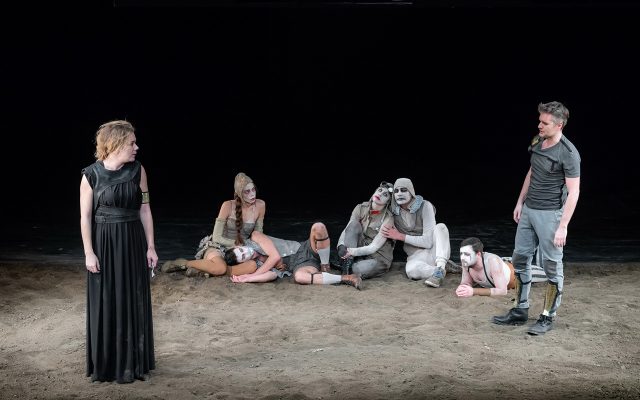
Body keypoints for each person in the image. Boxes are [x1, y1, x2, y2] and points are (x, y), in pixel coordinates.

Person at [493, 101, 581, 336]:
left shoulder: (568, 154)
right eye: (539, 121)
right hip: (529, 211)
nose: (539, 126)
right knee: (520, 259)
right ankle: (520, 309)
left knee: (552, 265)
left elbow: (574, 192)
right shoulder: (537, 142)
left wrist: (563, 226)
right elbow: (532, 172)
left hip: (550, 214)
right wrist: (520, 202)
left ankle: (547, 316)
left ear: (559, 125)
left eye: (545, 123)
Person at [80, 120, 157, 383]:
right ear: (115, 143)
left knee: (132, 297)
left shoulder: (138, 170)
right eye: (132, 143)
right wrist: (89, 252)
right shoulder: (91, 174)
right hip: (103, 244)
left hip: (133, 241)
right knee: (106, 299)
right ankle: (107, 364)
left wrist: (151, 246)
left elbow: (145, 209)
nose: (136, 147)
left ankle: (132, 363)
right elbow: (85, 217)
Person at [161, 172, 263, 277]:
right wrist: (235, 244)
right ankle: (184, 263)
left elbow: (259, 235)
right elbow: (216, 237)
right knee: (221, 268)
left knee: (252, 266)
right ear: (239, 193)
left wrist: (252, 249)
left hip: (240, 251)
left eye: (253, 189)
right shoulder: (227, 205)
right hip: (219, 246)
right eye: (247, 191)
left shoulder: (260, 205)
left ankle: (206, 269)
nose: (252, 194)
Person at [227, 224, 363, 290]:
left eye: (241, 250)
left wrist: (253, 274)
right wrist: (249, 278)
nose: (246, 252)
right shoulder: (257, 264)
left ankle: (325, 266)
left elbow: (274, 256)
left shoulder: (255, 237)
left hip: (303, 249)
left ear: (239, 245)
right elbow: (271, 275)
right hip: (299, 265)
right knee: (300, 277)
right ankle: (348, 278)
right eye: (243, 257)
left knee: (318, 227)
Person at [381, 178, 451, 288]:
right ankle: (439, 270)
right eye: (396, 191)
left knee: (441, 227)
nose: (399, 194)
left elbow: (428, 241)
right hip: (416, 255)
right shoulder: (393, 211)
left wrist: (400, 236)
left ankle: (441, 265)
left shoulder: (425, 205)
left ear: (411, 192)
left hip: (434, 250)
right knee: (411, 271)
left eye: (404, 190)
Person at [336, 181, 396, 279]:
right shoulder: (360, 208)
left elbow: (374, 247)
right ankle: (346, 266)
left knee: (356, 269)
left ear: (388, 202)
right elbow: (348, 229)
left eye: (385, 195)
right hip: (358, 251)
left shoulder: (388, 218)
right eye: (379, 190)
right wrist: (341, 246)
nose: (380, 194)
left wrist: (350, 251)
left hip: (377, 257)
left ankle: (347, 266)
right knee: (354, 224)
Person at [455, 237, 546, 298]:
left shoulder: (492, 262)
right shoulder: (466, 262)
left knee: (547, 274)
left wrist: (473, 291)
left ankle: (543, 243)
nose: (462, 257)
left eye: (466, 254)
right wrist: (463, 288)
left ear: (478, 254)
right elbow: (466, 283)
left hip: (516, 271)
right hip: (501, 264)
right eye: (461, 253)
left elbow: (502, 291)